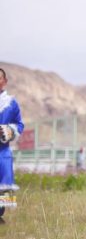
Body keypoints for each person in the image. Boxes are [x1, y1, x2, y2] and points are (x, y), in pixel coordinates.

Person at [0, 68, 24, 220]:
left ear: (4, 81)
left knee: (4, 186)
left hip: (2, 151)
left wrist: (7, 131)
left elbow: (20, 124)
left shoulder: (12, 103)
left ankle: (0, 215)